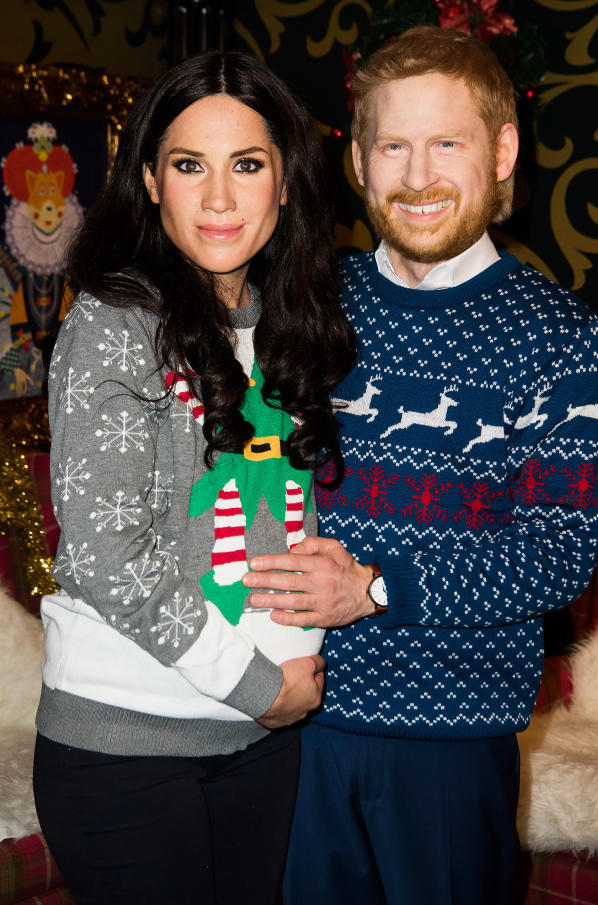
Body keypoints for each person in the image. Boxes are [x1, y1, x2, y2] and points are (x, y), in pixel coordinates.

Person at [242, 25, 598, 905]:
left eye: (445, 143)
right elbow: (243, 472)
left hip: (451, 749)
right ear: (361, 164)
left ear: (501, 150)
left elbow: (558, 555)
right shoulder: (303, 303)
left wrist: (374, 585)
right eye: (393, 146)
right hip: (289, 722)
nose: (417, 178)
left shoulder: (561, 338)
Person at [32, 50, 356, 905]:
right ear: (149, 180)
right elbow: (108, 555)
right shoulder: (115, 322)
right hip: (129, 754)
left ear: (285, 185)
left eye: (247, 165)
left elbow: (286, 523)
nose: (219, 197)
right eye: (189, 165)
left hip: (258, 746)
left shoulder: (287, 328)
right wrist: (263, 688)